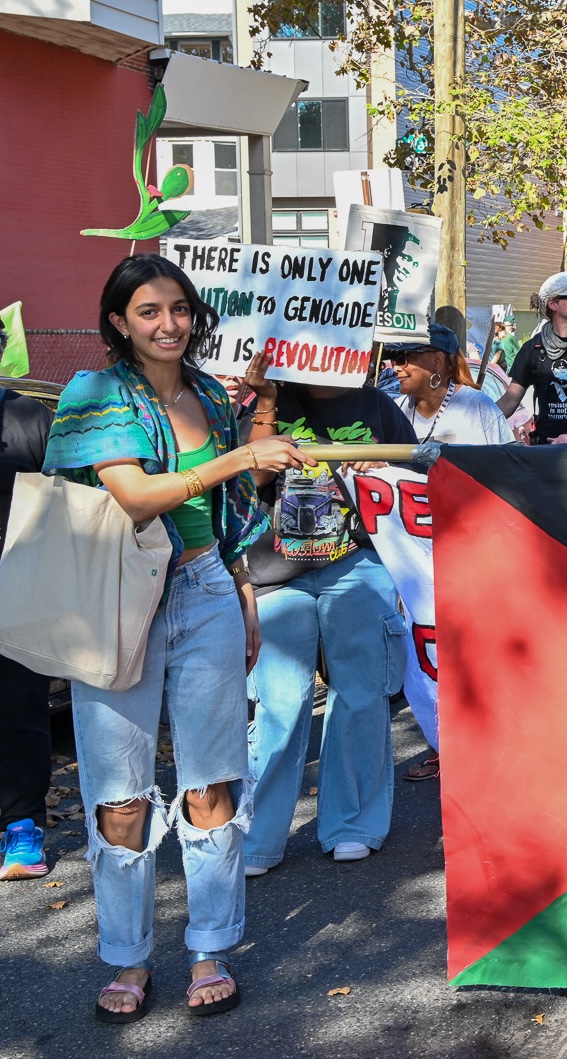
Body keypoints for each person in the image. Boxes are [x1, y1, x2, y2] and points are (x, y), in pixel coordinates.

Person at [42, 254, 311, 1020]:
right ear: (118, 321)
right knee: (120, 798)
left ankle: (210, 948)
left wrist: (245, 593)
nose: (169, 324)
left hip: (206, 591)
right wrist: (242, 454)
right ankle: (128, 957)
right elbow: (134, 497)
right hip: (116, 598)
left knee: (210, 783)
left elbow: (231, 513)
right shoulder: (95, 393)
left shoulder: (211, 396)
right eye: (150, 311)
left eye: (180, 309)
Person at [242, 348, 419, 877]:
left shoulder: (378, 406)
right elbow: (248, 483)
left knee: (361, 694)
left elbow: (414, 479)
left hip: (358, 562)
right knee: (278, 703)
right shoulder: (266, 400)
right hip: (276, 572)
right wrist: (265, 401)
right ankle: (257, 836)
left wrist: (384, 469)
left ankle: (354, 824)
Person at [0, 381, 53, 881]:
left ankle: (22, 828)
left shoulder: (30, 417)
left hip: (20, 593)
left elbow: (69, 504)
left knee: (20, 712)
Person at [499, 272, 567, 443]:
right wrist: (477, 418)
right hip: (547, 451)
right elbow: (509, 401)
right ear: (553, 304)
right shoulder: (532, 349)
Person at [387, 323, 514, 445]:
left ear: (437, 361)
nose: (396, 368)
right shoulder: (394, 411)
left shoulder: (480, 407)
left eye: (403, 358)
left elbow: (508, 457)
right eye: (394, 359)